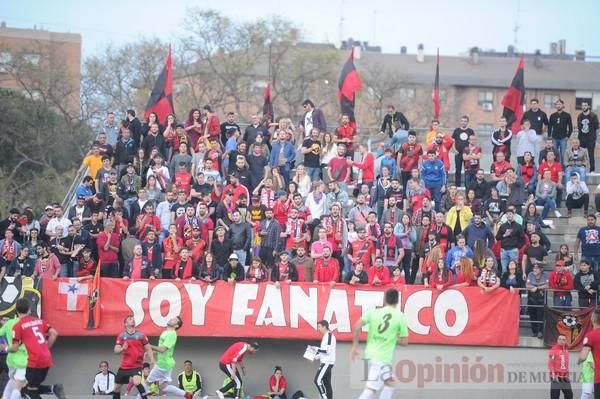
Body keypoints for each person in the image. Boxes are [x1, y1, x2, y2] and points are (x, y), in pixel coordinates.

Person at [351, 288, 409, 399]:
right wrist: (394, 338)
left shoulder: (374, 312)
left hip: (370, 354)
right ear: (397, 301)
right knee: (370, 390)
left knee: (390, 382)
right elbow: (405, 342)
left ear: (385, 300)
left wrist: (354, 347)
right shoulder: (399, 316)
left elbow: (357, 326)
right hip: (382, 358)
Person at [7, 298, 65, 399]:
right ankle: (53, 388)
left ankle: (53, 388)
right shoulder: (39, 321)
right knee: (27, 387)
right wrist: (46, 348)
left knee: (30, 391)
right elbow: (54, 333)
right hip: (46, 359)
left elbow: (15, 348)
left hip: (35, 361)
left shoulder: (18, 326)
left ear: (16, 311)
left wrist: (6, 348)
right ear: (29, 310)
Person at [146, 316, 196, 399]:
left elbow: (162, 349)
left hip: (163, 364)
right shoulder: (166, 332)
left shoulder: (172, 334)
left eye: (174, 320)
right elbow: (163, 350)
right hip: (166, 363)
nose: (171, 319)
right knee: (163, 387)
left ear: (176, 326)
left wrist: (148, 346)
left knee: (147, 383)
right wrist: (151, 352)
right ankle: (187, 395)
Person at [112, 315, 155, 399]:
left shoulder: (141, 335)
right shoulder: (121, 336)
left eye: (133, 319)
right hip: (124, 366)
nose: (133, 320)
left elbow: (148, 348)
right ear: (125, 324)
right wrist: (122, 348)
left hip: (136, 365)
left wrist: (152, 359)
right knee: (116, 388)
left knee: (136, 381)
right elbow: (115, 350)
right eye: (130, 319)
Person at [310, 320, 336, 399]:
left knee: (317, 380)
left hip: (327, 363)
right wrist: (314, 357)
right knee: (327, 383)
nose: (318, 329)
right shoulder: (326, 336)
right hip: (326, 362)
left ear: (324, 327)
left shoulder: (329, 336)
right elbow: (323, 352)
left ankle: (324, 397)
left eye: (319, 327)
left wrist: (316, 348)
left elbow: (327, 351)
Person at [526, 263, 549, 339]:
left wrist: (537, 288)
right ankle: (534, 332)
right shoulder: (530, 274)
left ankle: (540, 332)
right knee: (532, 315)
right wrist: (538, 288)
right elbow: (527, 285)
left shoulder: (545, 275)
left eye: (536, 268)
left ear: (541, 269)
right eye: (534, 268)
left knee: (540, 315)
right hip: (531, 297)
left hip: (541, 297)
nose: (534, 269)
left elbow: (547, 285)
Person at [548, 99, 573, 167]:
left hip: (563, 138)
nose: (558, 106)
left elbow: (570, 127)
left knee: (563, 155)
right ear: (555, 106)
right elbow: (549, 127)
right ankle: (554, 168)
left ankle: (563, 170)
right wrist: (549, 136)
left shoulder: (567, 115)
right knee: (554, 154)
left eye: (560, 104)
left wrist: (568, 136)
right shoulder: (552, 115)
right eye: (557, 104)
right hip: (554, 138)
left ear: (563, 105)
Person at [452, 115, 475, 186]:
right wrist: (454, 150)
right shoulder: (456, 131)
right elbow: (452, 141)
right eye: (462, 121)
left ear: (467, 122)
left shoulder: (470, 131)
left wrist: (471, 151)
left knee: (468, 170)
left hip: (467, 154)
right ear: (460, 122)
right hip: (458, 153)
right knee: (458, 169)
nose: (463, 122)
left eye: (465, 121)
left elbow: (473, 141)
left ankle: (467, 185)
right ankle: (457, 185)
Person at [548, 334, 573, 399]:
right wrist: (553, 375)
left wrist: (567, 373)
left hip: (564, 377)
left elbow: (566, 363)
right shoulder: (554, 349)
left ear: (565, 341)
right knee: (555, 396)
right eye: (560, 339)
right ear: (557, 340)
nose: (561, 341)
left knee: (569, 395)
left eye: (563, 340)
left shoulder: (566, 349)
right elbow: (550, 363)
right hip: (556, 376)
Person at [577, 100, 599, 172]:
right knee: (580, 155)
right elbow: (579, 128)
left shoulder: (593, 116)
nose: (584, 107)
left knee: (591, 155)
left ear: (588, 106)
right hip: (582, 138)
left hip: (590, 139)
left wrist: (595, 138)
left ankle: (592, 170)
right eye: (582, 105)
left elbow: (597, 128)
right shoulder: (579, 116)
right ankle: (580, 169)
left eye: (585, 105)